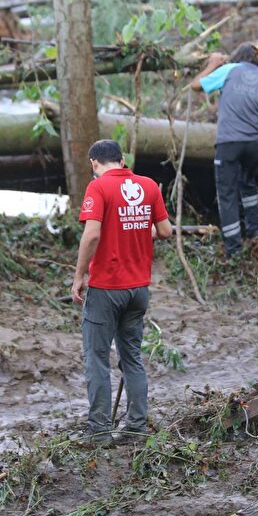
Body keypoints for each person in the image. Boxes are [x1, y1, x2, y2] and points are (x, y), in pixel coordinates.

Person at [71, 140, 172, 445]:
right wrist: (138, 230)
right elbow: (165, 230)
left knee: (97, 358)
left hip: (106, 289)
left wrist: (79, 275)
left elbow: (92, 233)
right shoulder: (149, 185)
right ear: (123, 159)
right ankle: (136, 428)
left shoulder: (99, 188)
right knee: (132, 359)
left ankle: (100, 431)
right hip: (138, 289)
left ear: (94, 163)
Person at [190, 43, 258, 256]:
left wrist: (212, 64)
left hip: (229, 144)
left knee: (227, 193)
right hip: (255, 146)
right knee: (247, 184)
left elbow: (195, 85)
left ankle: (233, 249)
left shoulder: (229, 70)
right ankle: (254, 232)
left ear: (236, 58)